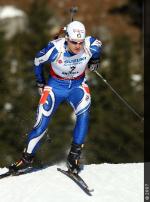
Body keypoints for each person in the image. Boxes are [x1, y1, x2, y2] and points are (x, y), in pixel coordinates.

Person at [9, 21, 102, 174]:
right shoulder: (54, 49)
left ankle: (74, 157)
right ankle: (26, 159)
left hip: (78, 87)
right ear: (67, 38)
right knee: (41, 125)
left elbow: (98, 46)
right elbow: (37, 61)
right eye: (74, 42)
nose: (78, 46)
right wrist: (40, 82)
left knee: (84, 115)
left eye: (80, 42)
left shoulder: (90, 45)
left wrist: (95, 60)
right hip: (55, 87)